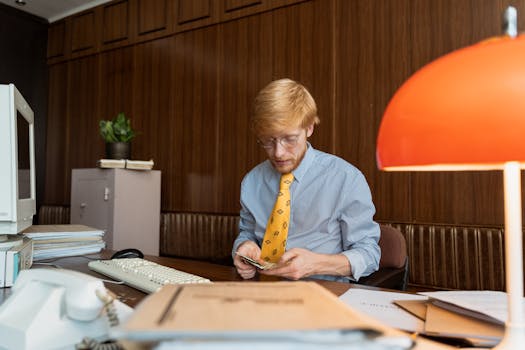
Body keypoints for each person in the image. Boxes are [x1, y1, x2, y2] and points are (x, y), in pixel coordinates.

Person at [232, 78, 380, 282]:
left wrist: (316, 264)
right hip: (264, 291)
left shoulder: (346, 178)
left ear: (309, 128)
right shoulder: (251, 182)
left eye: (289, 139)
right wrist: (243, 247)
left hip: (324, 295)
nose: (278, 152)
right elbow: (247, 232)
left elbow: (369, 255)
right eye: (268, 141)